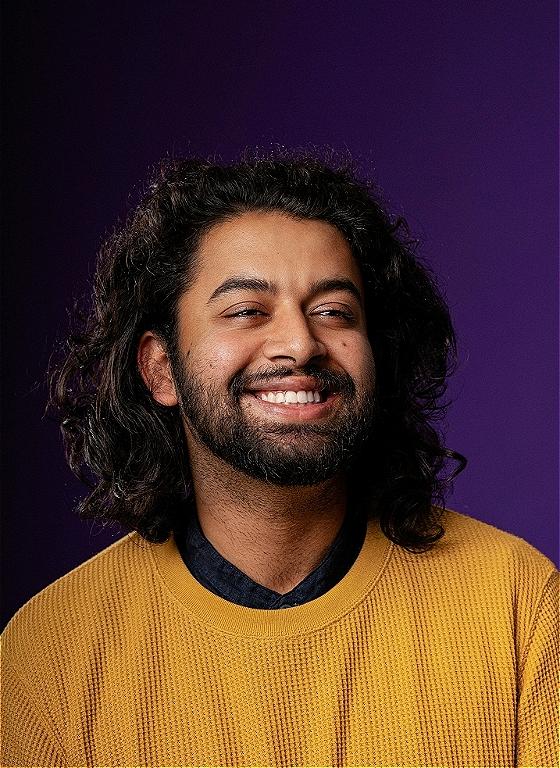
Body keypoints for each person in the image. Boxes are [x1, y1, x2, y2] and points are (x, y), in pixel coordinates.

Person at [2, 153, 557, 768]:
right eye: (246, 311)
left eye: (333, 312)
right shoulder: (48, 658)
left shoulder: (517, 605)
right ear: (162, 369)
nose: (299, 343)